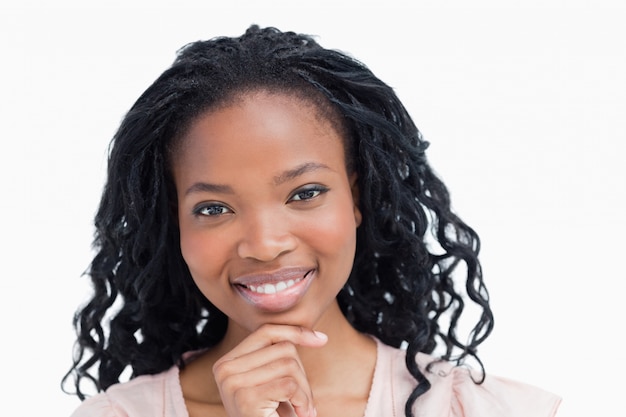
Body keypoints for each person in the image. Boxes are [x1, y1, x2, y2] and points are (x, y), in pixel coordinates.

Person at [63, 25, 560, 417]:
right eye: (214, 209)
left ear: (357, 199)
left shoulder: (482, 410)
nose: (264, 244)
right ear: (176, 226)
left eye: (305, 193)